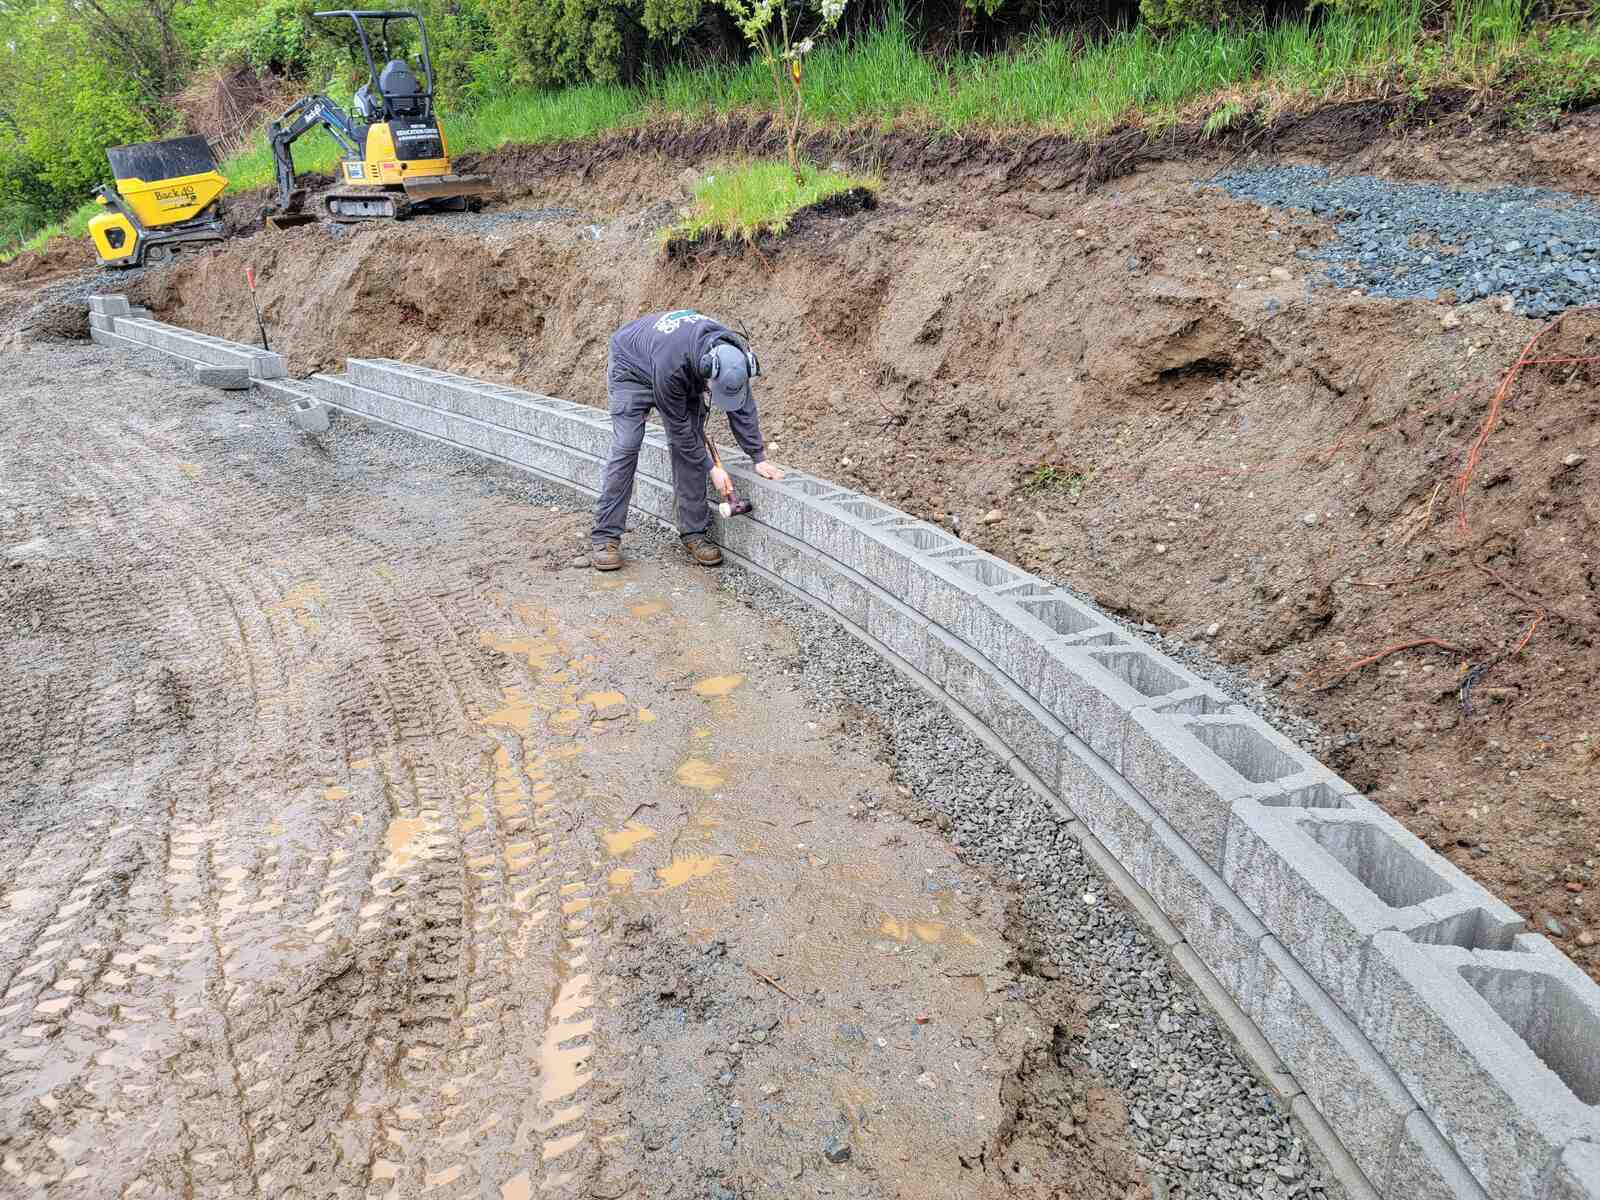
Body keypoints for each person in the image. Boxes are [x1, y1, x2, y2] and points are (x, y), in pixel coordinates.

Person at [590, 310, 783, 571]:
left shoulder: (733, 357)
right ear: (707, 371)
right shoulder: (674, 364)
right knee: (627, 445)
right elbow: (681, 431)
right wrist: (712, 468)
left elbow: (742, 406)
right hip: (632, 367)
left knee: (690, 447)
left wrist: (757, 456)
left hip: (679, 368)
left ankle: (694, 533)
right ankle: (605, 536)